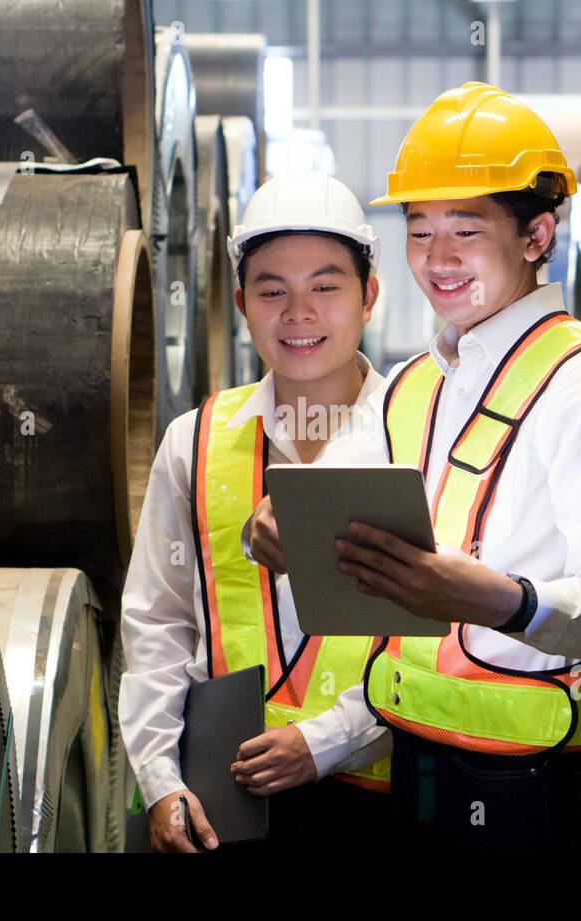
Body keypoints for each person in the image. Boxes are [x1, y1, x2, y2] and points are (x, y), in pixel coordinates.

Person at [248, 83, 581, 853]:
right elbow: (314, 519)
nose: (437, 260)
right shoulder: (415, 385)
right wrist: (270, 529)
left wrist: (505, 601)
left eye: (465, 231)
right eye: (418, 231)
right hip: (409, 762)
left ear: (536, 235)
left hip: (537, 787)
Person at [118, 170, 393, 853]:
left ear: (371, 295)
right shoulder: (198, 440)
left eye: (325, 287)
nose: (298, 314)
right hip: (224, 807)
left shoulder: (414, 437)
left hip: (381, 796)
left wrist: (326, 740)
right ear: (241, 302)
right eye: (273, 291)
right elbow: (159, 622)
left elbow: (436, 644)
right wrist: (158, 779)